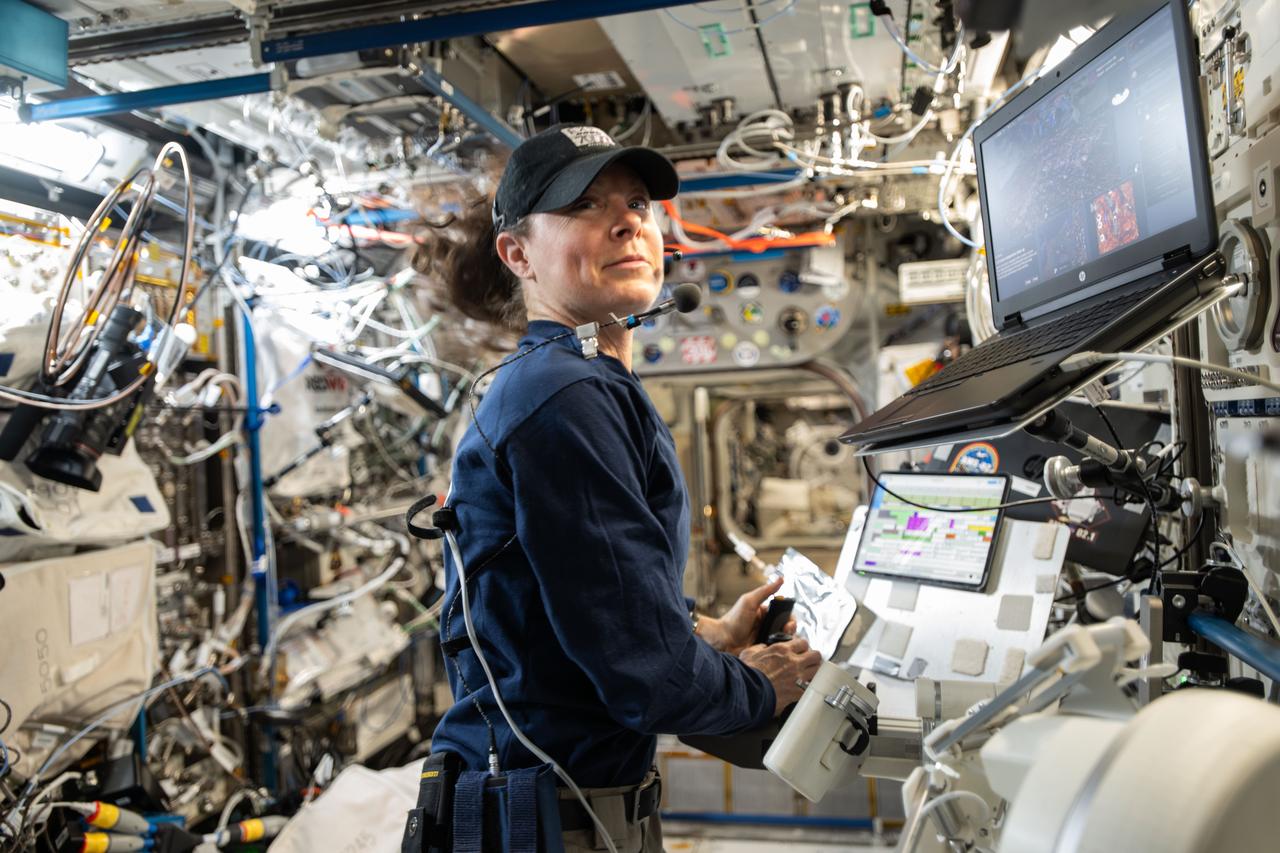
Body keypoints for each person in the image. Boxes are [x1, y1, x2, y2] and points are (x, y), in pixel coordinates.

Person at [417, 124, 821, 853]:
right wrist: (762, 686)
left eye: (637, 203)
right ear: (517, 254)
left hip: (558, 805)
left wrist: (704, 635)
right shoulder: (564, 396)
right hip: (544, 820)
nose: (628, 221)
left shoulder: (573, 382)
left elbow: (581, 606)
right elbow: (649, 680)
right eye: (584, 205)